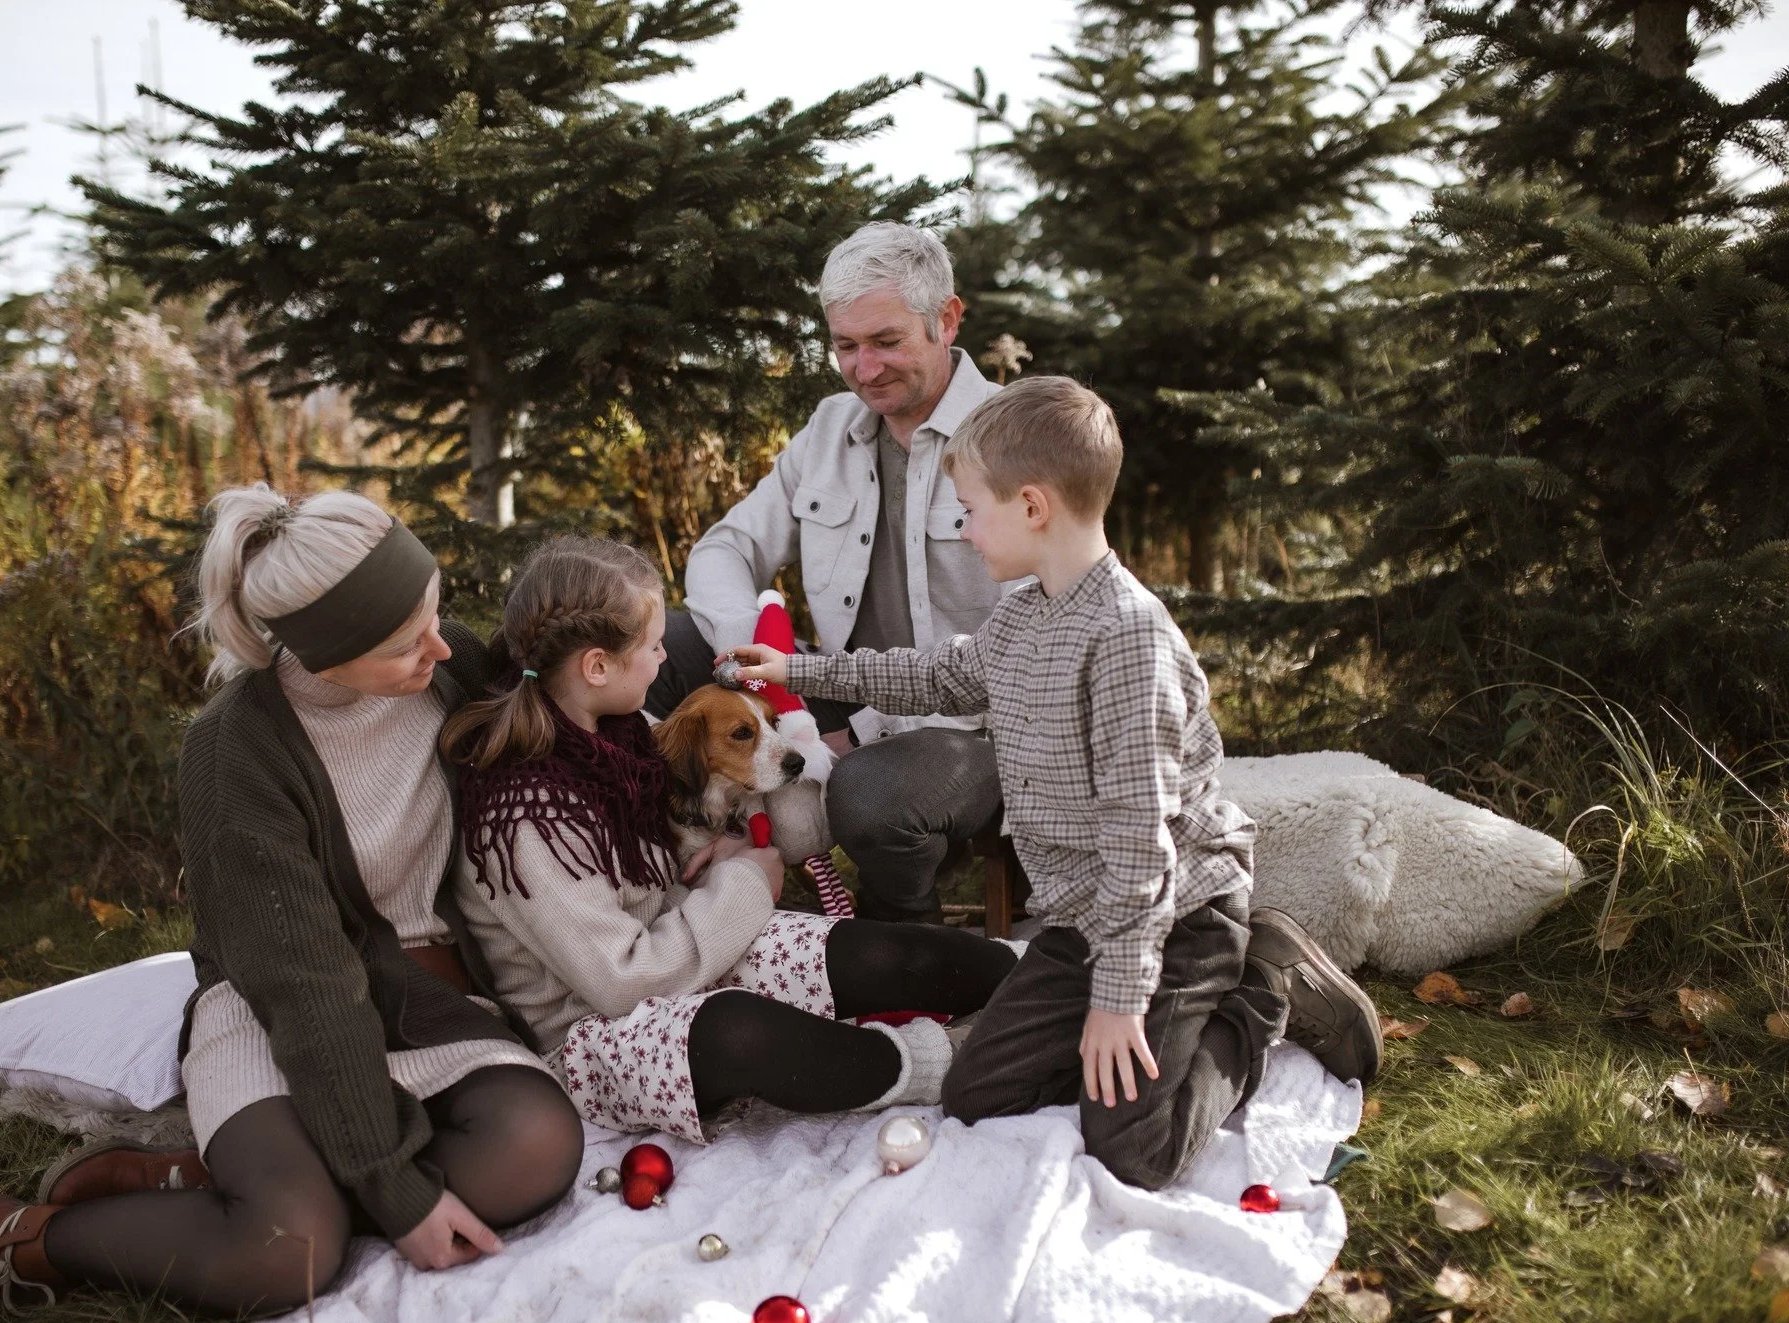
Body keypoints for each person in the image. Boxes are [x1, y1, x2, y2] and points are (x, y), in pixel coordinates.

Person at [0, 487, 584, 1323]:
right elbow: (306, 987)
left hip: (422, 1002)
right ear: (324, 651)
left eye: (435, 612)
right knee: (285, 1253)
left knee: (535, 1144)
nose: (442, 647)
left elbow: (584, 709)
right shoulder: (235, 750)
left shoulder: (447, 670)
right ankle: (19, 1239)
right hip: (275, 1008)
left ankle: (207, 1177)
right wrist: (395, 1189)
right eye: (406, 642)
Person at [730, 377, 1382, 1191]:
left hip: (1173, 917)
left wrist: (1118, 998)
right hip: (1083, 923)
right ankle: (1129, 1025)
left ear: (1033, 506)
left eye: (970, 510)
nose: (964, 532)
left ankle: (1262, 983)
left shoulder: (1126, 640)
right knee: (980, 1095)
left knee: (1134, 1146)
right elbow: (939, 676)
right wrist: (799, 668)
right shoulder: (1025, 612)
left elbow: (1140, 843)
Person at [445, 536, 1019, 1144]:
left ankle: (1038, 974)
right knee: (738, 1030)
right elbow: (620, 980)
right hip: (594, 1034)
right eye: (653, 644)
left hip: (677, 954)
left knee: (854, 950)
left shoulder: (625, 736)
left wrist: (721, 855)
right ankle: (942, 1061)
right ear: (597, 667)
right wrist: (744, 881)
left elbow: (673, 857)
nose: (667, 656)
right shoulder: (527, 815)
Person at [647, 221, 1012, 924]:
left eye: (885, 342)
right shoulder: (827, 430)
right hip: (823, 692)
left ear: (947, 318)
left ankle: (905, 940)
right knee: (662, 647)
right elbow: (724, 549)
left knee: (864, 792)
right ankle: (691, 862)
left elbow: (1022, 651)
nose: (864, 369)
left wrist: (862, 730)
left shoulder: (1014, 433)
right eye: (846, 346)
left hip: (966, 723)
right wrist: (747, 666)